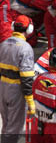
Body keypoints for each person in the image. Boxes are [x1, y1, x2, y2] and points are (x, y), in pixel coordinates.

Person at [0, 15, 35, 143]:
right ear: (29, 29)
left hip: (2, 87)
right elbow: (26, 78)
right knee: (14, 127)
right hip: (16, 90)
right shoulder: (25, 48)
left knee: (6, 123)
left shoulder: (3, 44)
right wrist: (30, 100)